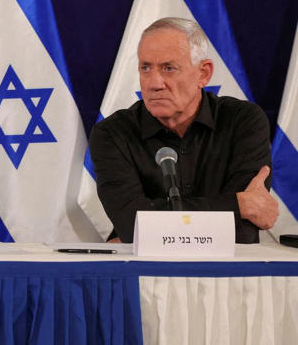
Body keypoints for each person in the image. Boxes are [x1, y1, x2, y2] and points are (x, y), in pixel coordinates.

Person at [89, 17, 278, 243]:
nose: (154, 83)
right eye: (145, 68)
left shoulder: (243, 122)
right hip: (147, 265)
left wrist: (156, 225)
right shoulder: (112, 133)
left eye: (169, 68)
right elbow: (132, 225)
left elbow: (243, 230)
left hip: (228, 265)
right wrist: (237, 205)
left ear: (203, 74)